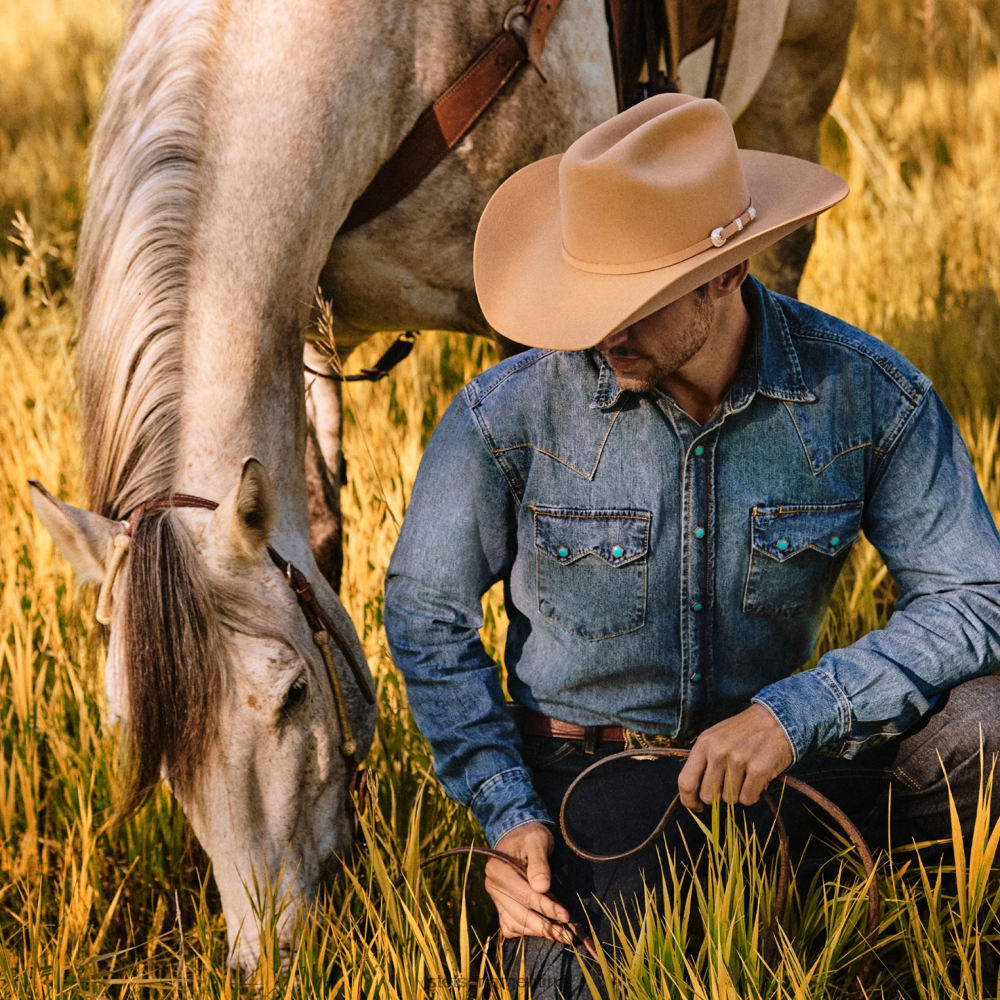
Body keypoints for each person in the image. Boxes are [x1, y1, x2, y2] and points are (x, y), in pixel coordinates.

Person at [383, 93, 1000, 998]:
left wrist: (799, 714)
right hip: (589, 786)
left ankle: (802, 881)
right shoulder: (505, 418)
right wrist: (507, 816)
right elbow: (425, 615)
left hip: (784, 761)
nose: (606, 332)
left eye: (636, 303)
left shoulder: (868, 396)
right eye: (593, 297)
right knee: (574, 982)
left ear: (730, 269)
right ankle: (728, 894)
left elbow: (976, 596)